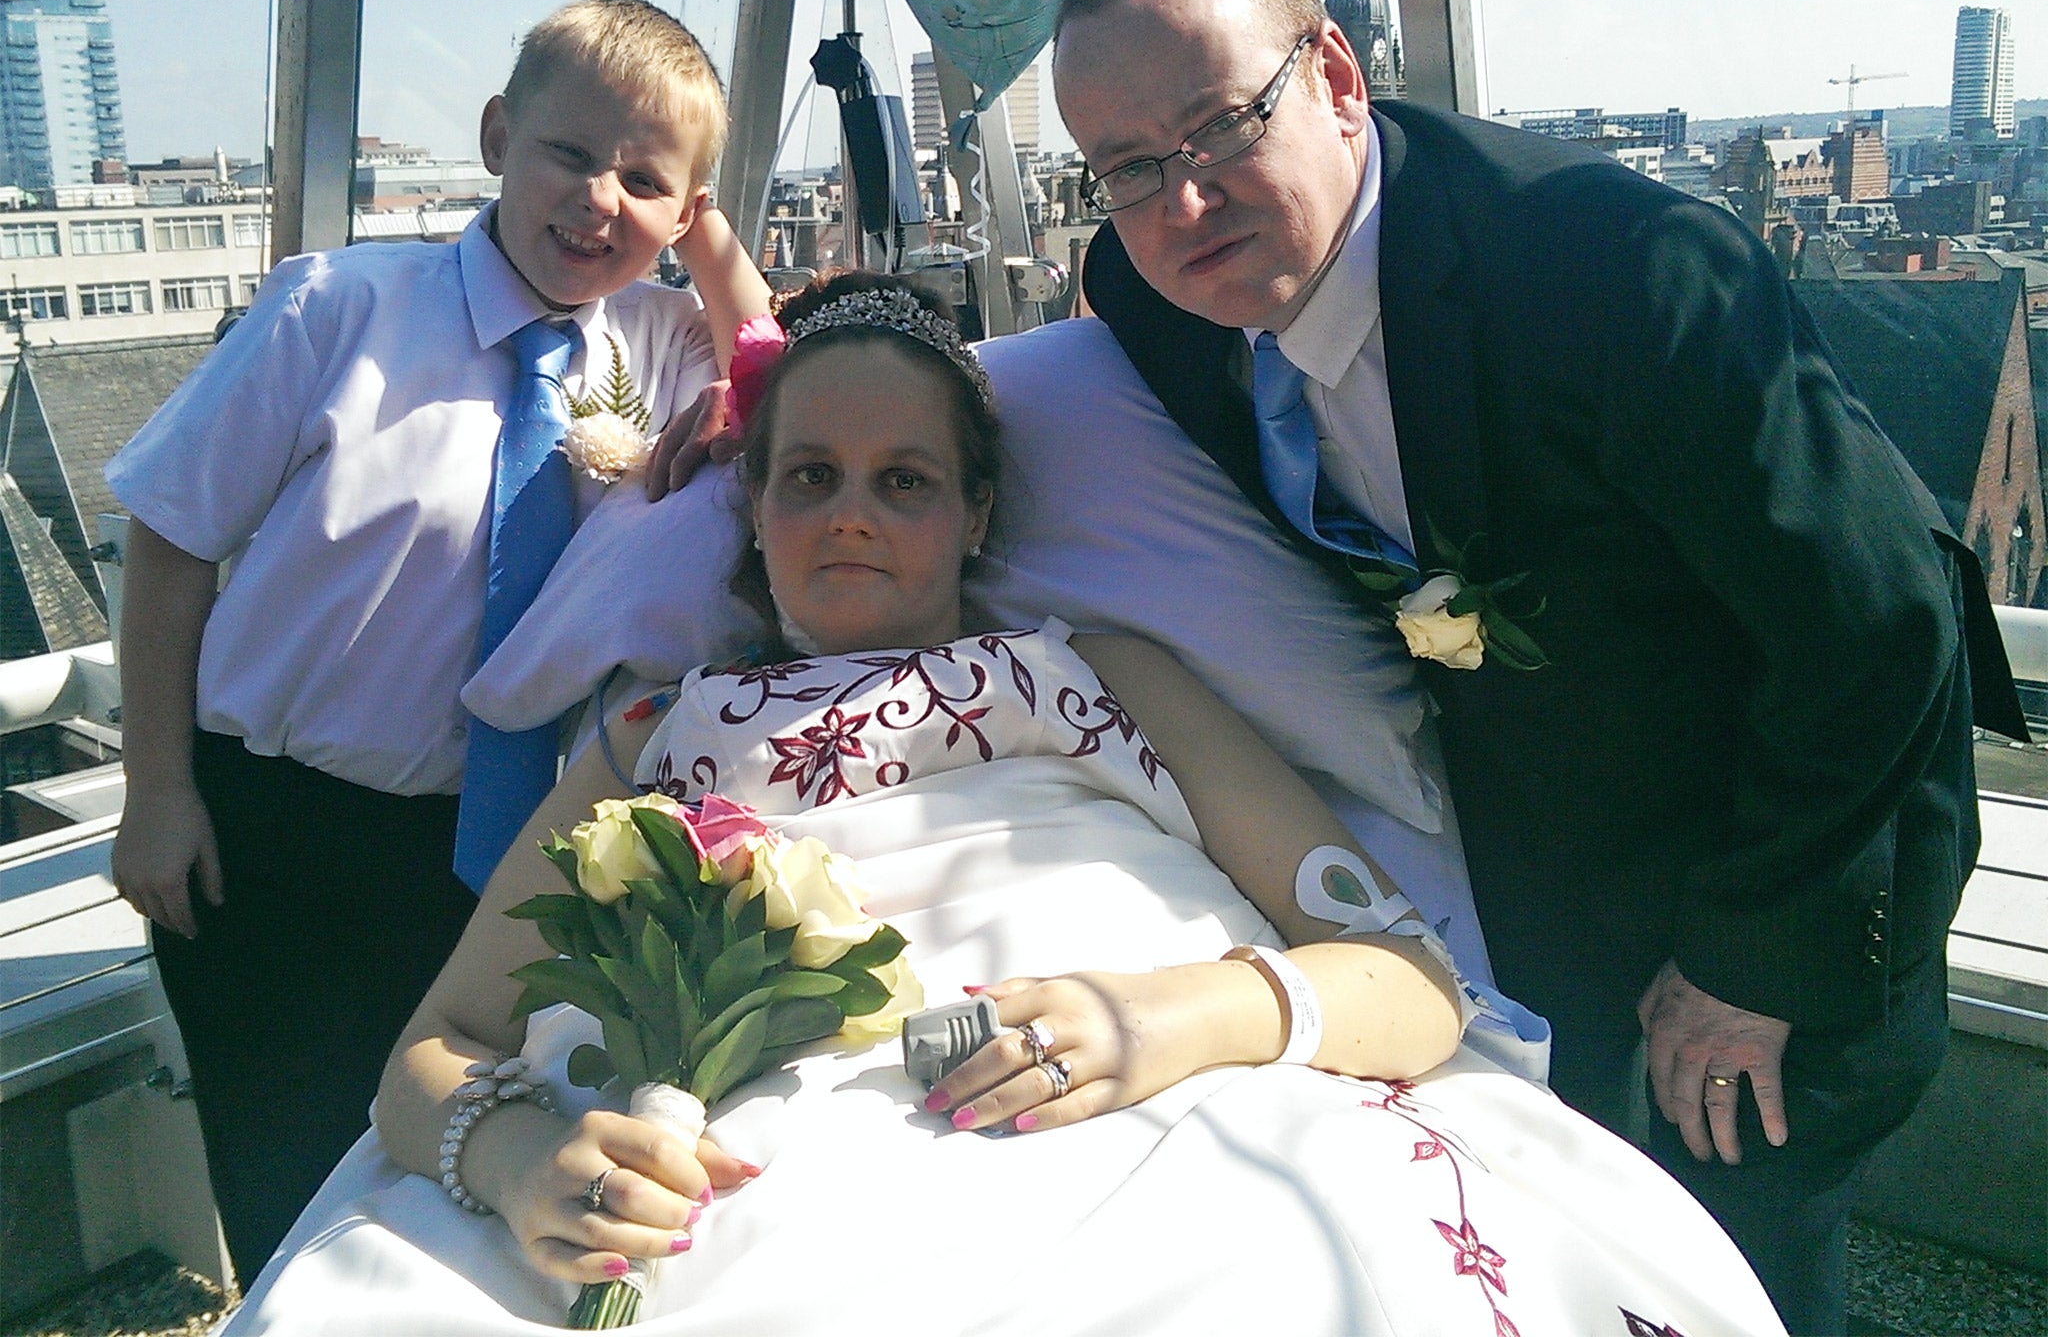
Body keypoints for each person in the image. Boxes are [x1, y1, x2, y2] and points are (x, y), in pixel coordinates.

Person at [225, 274, 1783, 1337]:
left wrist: (1172, 1020)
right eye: (809, 477)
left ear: (977, 513)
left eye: (906, 481)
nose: (850, 517)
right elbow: (433, 1054)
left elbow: (1407, 986)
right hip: (753, 1156)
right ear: (750, 510)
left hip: (1163, 1088)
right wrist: (509, 1164)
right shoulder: (646, 735)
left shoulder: (1099, 672)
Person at [1049, 0, 2021, 1334]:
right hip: (1560, 863)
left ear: (1332, 78)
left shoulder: (1618, 269)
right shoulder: (1155, 304)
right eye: (1127, 169)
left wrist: (1755, 965)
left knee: (1742, 1263)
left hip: (1800, 854)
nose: (1180, 204)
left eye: (1217, 129)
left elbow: (1880, 620)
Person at [105, 0, 769, 1279]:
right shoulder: (336, 311)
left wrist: (710, 248)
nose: (596, 202)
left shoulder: (652, 344)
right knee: (290, 1167)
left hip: (501, 851)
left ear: (684, 216)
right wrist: (158, 786)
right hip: (275, 830)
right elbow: (173, 540)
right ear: (495, 138)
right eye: (568, 155)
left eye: (644, 181)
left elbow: (772, 366)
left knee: (464, 1184)